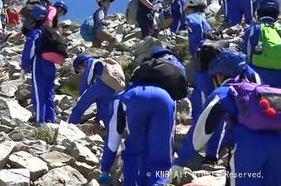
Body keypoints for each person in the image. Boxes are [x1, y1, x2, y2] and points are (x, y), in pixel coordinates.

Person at [173, 50, 281, 186]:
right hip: (278, 144)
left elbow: (200, 132)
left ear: (219, 75)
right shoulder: (258, 90)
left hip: (248, 148)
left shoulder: (222, 93)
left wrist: (180, 162)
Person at [99, 51, 186, 186]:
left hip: (135, 98)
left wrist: (105, 168)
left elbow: (114, 134)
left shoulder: (126, 93)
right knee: (161, 150)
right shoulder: (169, 92)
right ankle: (158, 182)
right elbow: (170, 139)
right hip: (164, 99)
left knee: (132, 148)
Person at [21, 5, 56, 124]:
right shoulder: (48, 32)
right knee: (49, 92)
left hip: (39, 64)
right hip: (51, 65)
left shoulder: (35, 32)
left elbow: (30, 49)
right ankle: (51, 119)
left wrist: (24, 65)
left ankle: (39, 120)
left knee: (38, 92)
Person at [68, 54, 116, 137]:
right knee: (106, 112)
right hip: (110, 87)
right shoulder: (101, 63)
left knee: (78, 109)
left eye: (78, 71)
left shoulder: (89, 64)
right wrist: (97, 120)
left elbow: (84, 87)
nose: (80, 74)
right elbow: (101, 109)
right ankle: (112, 138)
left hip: (98, 86)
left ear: (80, 65)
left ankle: (69, 128)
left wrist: (80, 98)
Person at [242, 0, 281, 88]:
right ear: (276, 14)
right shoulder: (279, 28)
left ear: (258, 13)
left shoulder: (253, 29)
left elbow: (245, 55)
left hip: (258, 77)